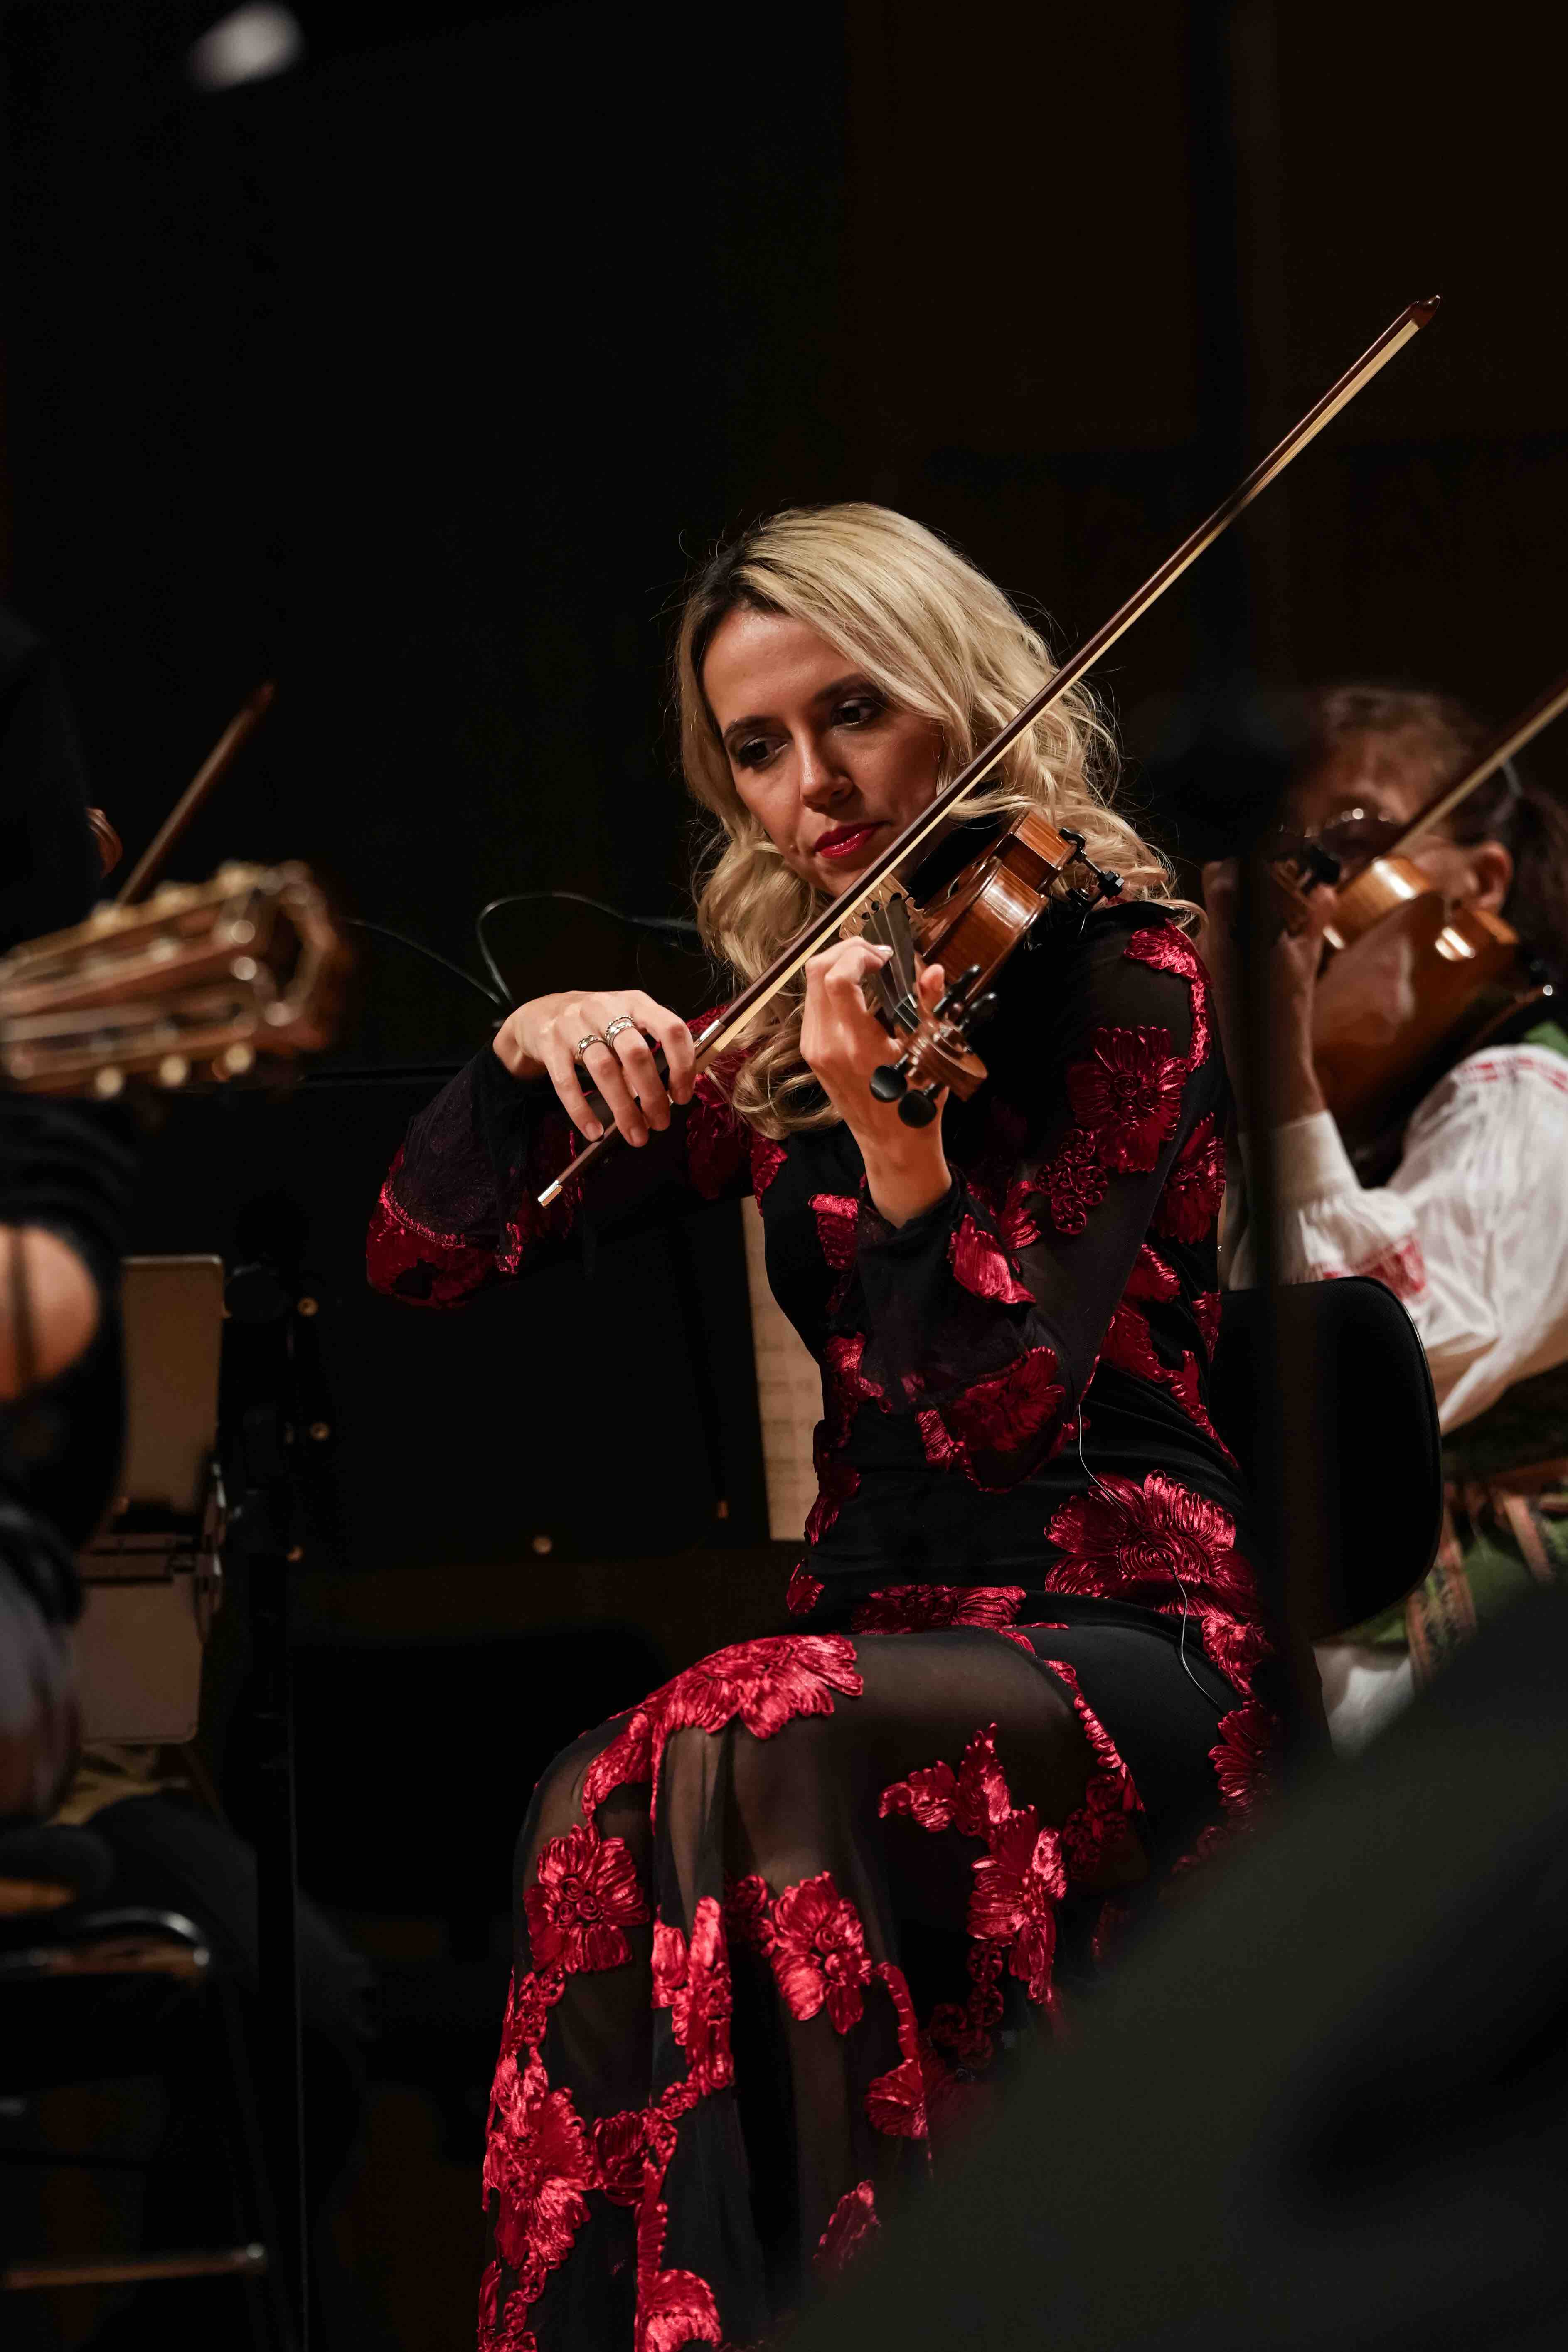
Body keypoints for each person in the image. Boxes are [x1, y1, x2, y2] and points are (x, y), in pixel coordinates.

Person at [370, 505, 1282, 2350]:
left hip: (1122, 1622)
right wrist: (533, 1046)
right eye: (757, 750)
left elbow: (1004, 1411)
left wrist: (897, 1147)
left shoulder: (1127, 973)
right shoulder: (804, 1019)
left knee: (743, 1714)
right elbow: (427, 1256)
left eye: (850, 711)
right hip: (874, 1637)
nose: (813, 786)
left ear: (954, 694)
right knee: (593, 1791)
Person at [1203, 683, 1568, 1751]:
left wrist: (1277, 1071)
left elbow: (1368, 1390)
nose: (1300, 895)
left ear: (1479, 883)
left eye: (1344, 846)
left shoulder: (1527, 1099)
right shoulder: (1369, 1113)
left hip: (1493, 1682)